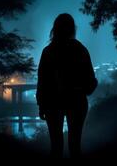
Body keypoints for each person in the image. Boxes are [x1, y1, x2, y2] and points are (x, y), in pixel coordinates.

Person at [36, 13, 97, 158]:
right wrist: (84, 90)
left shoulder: (48, 52)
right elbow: (90, 80)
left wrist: (41, 105)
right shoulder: (80, 50)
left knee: (56, 147)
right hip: (77, 101)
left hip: (53, 102)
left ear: (54, 29)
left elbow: (42, 81)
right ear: (72, 29)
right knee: (75, 146)